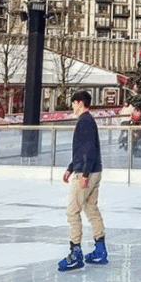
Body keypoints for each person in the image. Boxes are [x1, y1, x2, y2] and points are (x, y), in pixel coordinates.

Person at [58, 91, 106, 271]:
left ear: (79, 103)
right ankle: (100, 250)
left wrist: (84, 174)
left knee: (72, 212)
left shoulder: (84, 121)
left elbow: (89, 150)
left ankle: (75, 253)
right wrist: (71, 168)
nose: (72, 107)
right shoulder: (88, 120)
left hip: (87, 172)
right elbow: (82, 150)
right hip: (94, 170)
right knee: (91, 209)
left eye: (73, 103)